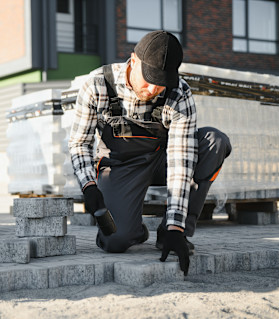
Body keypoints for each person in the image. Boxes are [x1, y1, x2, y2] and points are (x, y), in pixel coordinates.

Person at [68, 30, 232, 275]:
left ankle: (170, 233)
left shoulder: (179, 93)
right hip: (121, 164)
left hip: (163, 160)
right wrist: (88, 186)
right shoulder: (97, 86)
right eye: (149, 78)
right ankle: (135, 230)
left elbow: (181, 163)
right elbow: (79, 143)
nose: (154, 88)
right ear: (133, 61)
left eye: (161, 81)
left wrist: (177, 227)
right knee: (115, 240)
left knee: (214, 142)